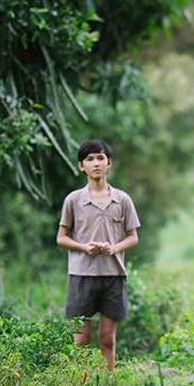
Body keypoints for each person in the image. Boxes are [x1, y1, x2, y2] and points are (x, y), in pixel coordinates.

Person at [56, 139, 140, 371]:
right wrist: (84, 247)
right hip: (81, 275)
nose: (96, 163)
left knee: (106, 339)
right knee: (81, 340)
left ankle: (108, 384)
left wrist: (115, 248)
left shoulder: (122, 199)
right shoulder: (73, 200)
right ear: (81, 166)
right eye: (89, 159)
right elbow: (61, 238)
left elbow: (133, 237)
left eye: (100, 158)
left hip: (113, 275)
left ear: (109, 163)